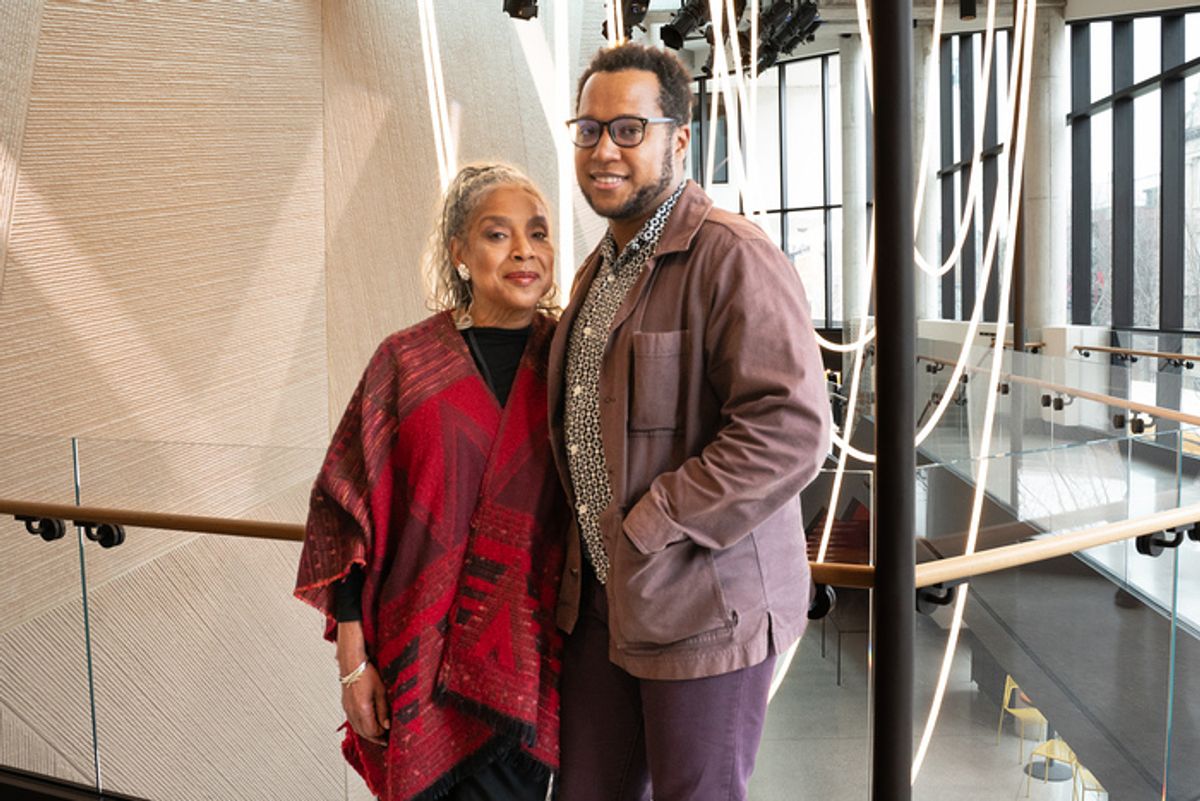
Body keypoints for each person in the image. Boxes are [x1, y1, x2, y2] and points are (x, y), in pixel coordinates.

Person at [548, 43, 831, 801]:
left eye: (628, 129)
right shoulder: (600, 270)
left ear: (679, 139)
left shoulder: (732, 255)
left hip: (705, 606)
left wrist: (654, 522)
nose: (604, 150)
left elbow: (790, 428)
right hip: (603, 602)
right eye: (589, 130)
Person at [295, 163, 567, 801]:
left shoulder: (571, 361)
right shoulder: (406, 362)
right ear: (460, 253)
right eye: (498, 234)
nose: (524, 250)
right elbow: (346, 510)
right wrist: (352, 662)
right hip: (414, 655)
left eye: (538, 233)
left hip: (532, 659)